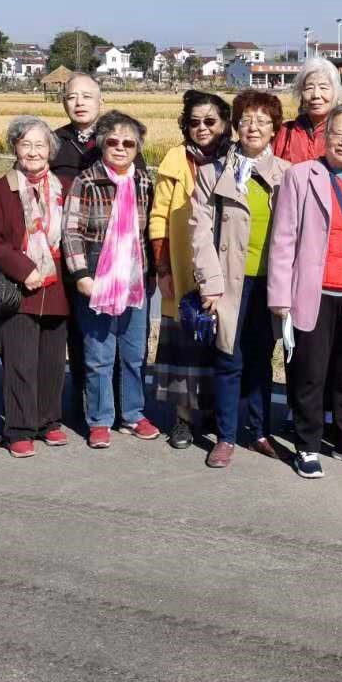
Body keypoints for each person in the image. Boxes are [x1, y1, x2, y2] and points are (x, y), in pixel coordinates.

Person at [268, 102, 342, 479]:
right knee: (310, 373)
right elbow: (283, 238)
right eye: (337, 134)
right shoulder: (300, 176)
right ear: (325, 137)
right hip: (312, 291)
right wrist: (279, 295)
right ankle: (307, 445)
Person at [190, 89, 290, 469]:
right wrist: (209, 284)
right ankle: (226, 436)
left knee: (262, 359)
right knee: (228, 357)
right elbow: (200, 232)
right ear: (235, 125)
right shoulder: (213, 172)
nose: (253, 127)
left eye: (263, 121)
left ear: (274, 129)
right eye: (246, 120)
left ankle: (260, 431)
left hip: (270, 282)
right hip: (229, 282)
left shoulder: (287, 175)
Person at [62, 110, 161, 449]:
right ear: (102, 144)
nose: (120, 148)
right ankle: (100, 419)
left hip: (134, 278)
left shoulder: (143, 182)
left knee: (134, 353)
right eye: (113, 142)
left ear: (137, 149)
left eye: (128, 143)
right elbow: (71, 230)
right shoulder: (87, 181)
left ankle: (133, 414)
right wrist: (81, 274)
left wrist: (152, 273)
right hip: (97, 275)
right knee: (99, 354)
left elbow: (148, 232)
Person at [52, 72, 147, 421]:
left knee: (128, 345)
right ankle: (91, 410)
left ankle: (127, 411)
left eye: (87, 96)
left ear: (100, 101)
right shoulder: (54, 143)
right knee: (87, 343)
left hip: (126, 266)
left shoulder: (124, 146)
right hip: (78, 259)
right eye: (72, 96)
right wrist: (79, 270)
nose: (79, 103)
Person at [0, 116, 71, 458]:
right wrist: (23, 269)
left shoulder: (63, 187)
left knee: (52, 362)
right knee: (19, 361)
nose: (33, 152)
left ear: (50, 150)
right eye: (25, 144)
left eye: (40, 145)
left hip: (58, 286)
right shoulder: (0, 190)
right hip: (17, 287)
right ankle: (18, 428)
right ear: (15, 148)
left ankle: (48, 421)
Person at [150, 89, 231, 449]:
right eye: (194, 122)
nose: (202, 128)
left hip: (225, 265)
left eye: (210, 121)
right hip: (183, 263)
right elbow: (158, 216)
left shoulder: (235, 159)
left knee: (219, 341)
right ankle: (182, 418)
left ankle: (214, 412)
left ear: (225, 124)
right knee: (183, 342)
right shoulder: (175, 159)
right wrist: (163, 268)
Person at [272, 57, 341, 163]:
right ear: (301, 94)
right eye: (309, 88)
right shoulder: (284, 132)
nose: (316, 95)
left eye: (323, 88)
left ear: (335, 93)